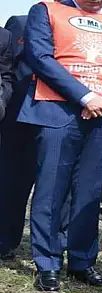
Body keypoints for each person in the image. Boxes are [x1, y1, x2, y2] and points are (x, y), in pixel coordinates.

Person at [20, 0, 102, 293]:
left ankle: (82, 261)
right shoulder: (47, 10)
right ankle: (47, 263)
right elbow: (40, 56)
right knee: (51, 189)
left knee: (90, 192)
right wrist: (85, 97)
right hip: (57, 112)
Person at [0, 15, 27, 261]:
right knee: (12, 181)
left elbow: (7, 75)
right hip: (17, 121)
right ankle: (5, 241)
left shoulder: (4, 36)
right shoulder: (18, 25)